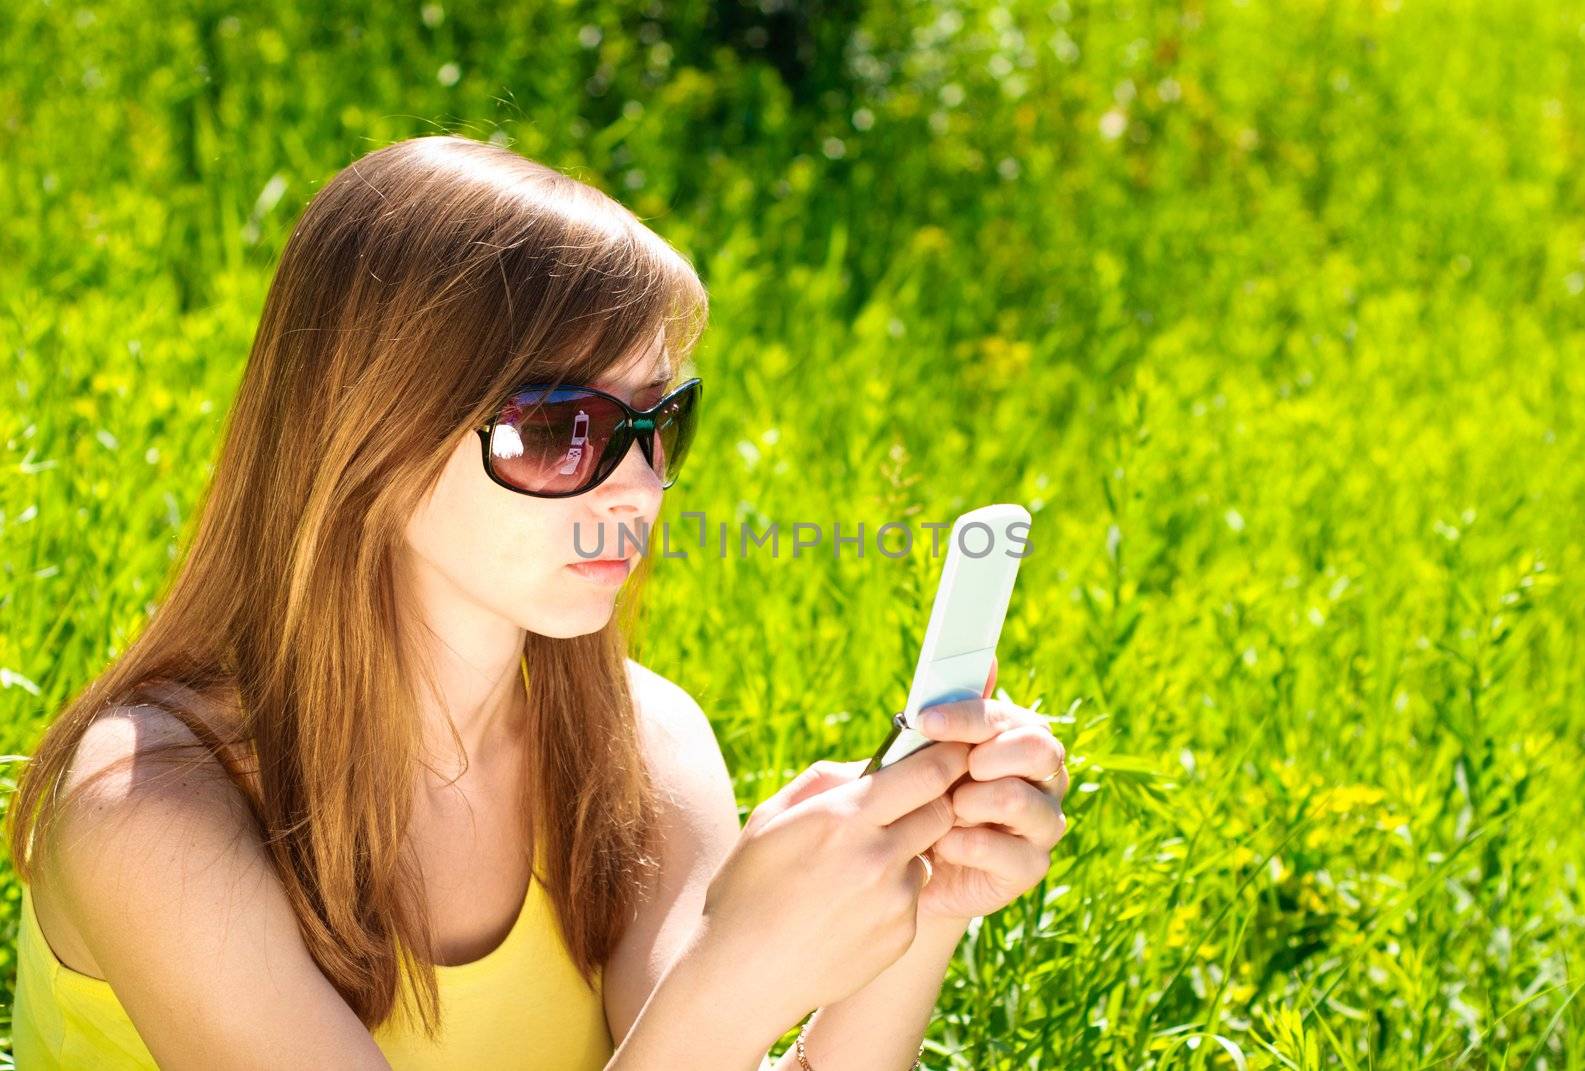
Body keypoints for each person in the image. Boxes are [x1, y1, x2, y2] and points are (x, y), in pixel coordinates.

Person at [3, 134, 1070, 1070]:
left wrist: (924, 898)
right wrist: (730, 979)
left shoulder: (643, 749)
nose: (639, 485)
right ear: (366, 441)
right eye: (560, 429)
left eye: (659, 423)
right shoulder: (147, 813)